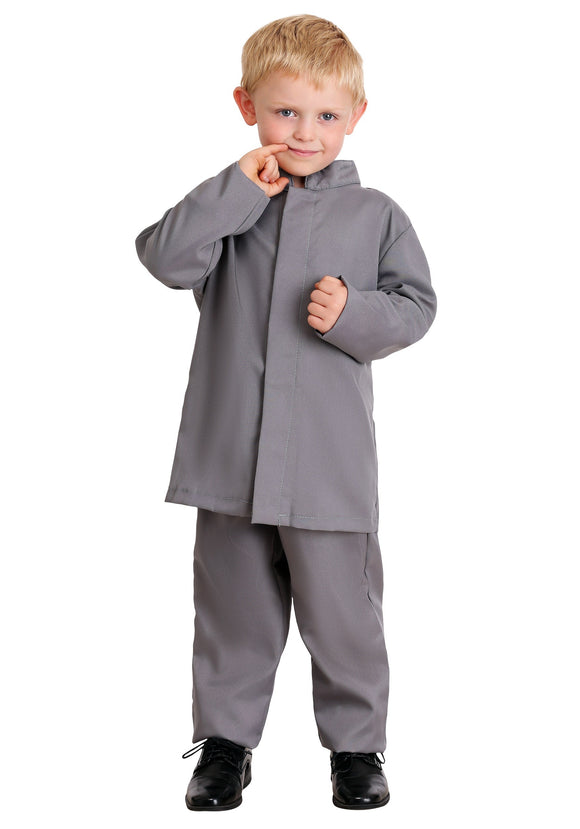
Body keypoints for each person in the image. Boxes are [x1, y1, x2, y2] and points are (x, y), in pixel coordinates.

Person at [135, 13, 436, 811]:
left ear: (356, 116)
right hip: (231, 460)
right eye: (285, 112)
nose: (305, 132)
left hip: (327, 467)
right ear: (247, 107)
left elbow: (417, 307)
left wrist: (353, 313)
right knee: (231, 613)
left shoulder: (377, 215)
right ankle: (225, 745)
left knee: (345, 615)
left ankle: (356, 748)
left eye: (326, 114)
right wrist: (235, 187)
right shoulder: (231, 209)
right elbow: (164, 256)